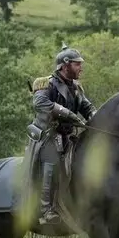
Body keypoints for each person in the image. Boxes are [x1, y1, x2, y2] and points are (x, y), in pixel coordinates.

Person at [26, 44, 95, 225]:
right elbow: (40, 103)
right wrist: (68, 113)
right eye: (77, 64)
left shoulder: (76, 87)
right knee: (52, 163)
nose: (81, 67)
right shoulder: (46, 84)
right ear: (65, 65)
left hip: (68, 136)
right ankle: (45, 210)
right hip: (47, 136)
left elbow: (86, 107)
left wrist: (96, 118)